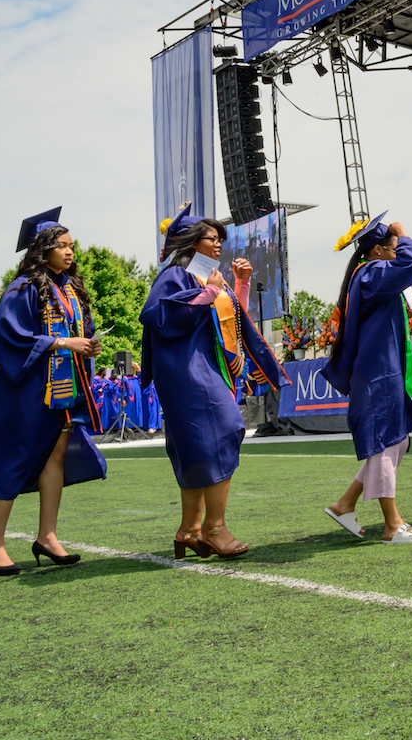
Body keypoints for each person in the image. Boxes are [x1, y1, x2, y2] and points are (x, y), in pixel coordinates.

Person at [0, 209, 108, 575]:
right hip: (26, 391)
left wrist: (87, 345)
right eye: (62, 245)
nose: (70, 252)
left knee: (54, 458)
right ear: (43, 249)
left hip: (62, 390)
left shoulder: (70, 288)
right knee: (16, 461)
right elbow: (8, 339)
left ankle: (48, 536)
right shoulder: (22, 289)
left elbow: (79, 332)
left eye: (72, 246)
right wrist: (63, 342)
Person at [140, 204, 280, 560]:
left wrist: (240, 284)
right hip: (188, 372)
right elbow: (159, 317)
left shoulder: (206, 277)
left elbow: (230, 317)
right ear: (192, 242)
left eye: (220, 238)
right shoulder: (175, 276)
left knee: (199, 450)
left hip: (207, 370)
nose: (219, 244)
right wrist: (207, 293)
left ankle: (189, 529)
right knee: (225, 430)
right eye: (212, 238)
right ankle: (215, 528)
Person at [321, 213, 412, 543]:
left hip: (382, 370)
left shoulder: (368, 275)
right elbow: (410, 266)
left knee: (395, 441)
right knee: (386, 443)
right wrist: (403, 234)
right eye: (393, 247)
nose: (398, 251)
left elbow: (410, 270)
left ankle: (345, 504)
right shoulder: (371, 273)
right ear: (380, 251)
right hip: (379, 373)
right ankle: (393, 524)